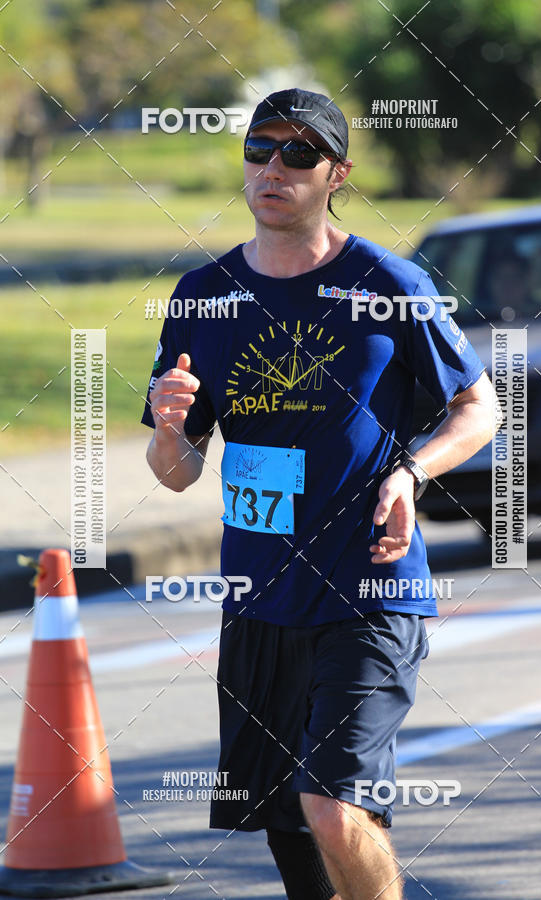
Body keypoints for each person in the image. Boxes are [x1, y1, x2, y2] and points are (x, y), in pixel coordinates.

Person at [142, 88, 498, 900]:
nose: (274, 168)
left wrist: (411, 472)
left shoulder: (388, 283)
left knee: (333, 806)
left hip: (370, 591)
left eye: (299, 154)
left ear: (338, 174)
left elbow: (479, 407)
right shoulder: (203, 295)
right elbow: (179, 471)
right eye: (259, 149)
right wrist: (167, 430)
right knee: (293, 831)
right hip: (260, 599)